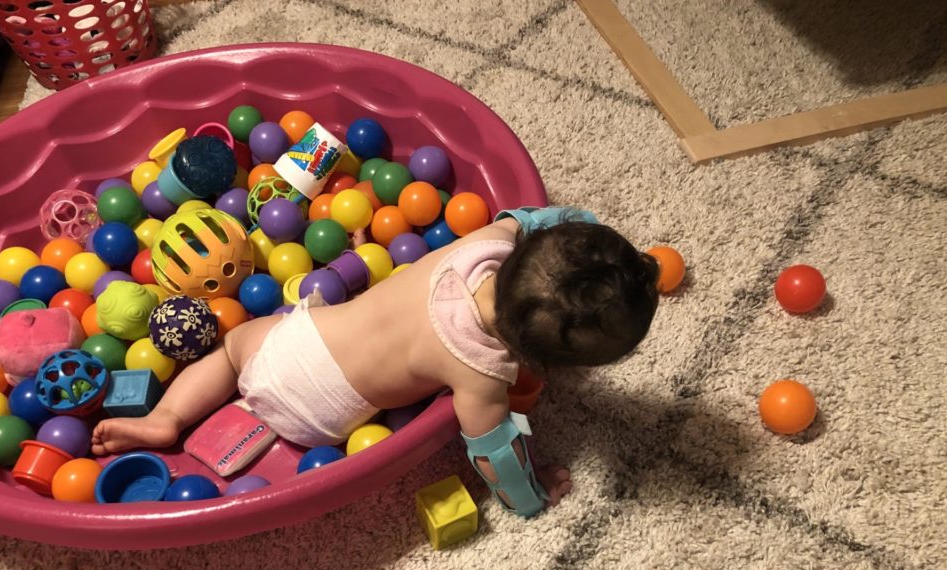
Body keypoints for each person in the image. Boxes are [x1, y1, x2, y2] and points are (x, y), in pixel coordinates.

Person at [91, 206, 660, 516]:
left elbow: (536, 219)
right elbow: (495, 454)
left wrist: (581, 229)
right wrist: (529, 496)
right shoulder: (482, 371)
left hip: (289, 347)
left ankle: (166, 416)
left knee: (234, 347)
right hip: (319, 417)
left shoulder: (483, 241)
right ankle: (183, 416)